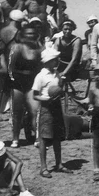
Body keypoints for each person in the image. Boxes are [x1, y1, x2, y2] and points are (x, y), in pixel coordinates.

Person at [8, 21, 43, 148]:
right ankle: (15, 138)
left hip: (31, 84)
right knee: (17, 113)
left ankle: (38, 138)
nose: (31, 36)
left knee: (35, 111)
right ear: (23, 35)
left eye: (33, 34)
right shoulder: (17, 47)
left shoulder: (38, 48)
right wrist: (12, 82)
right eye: (28, 34)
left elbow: (43, 63)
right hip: (18, 83)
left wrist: (38, 42)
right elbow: (10, 68)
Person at [32, 47, 65, 177]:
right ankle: (43, 167)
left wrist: (59, 93)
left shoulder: (57, 74)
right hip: (46, 107)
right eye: (54, 60)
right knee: (44, 138)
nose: (56, 61)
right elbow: (35, 95)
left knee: (57, 136)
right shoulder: (40, 76)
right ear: (47, 61)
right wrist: (46, 99)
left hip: (56, 106)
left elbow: (59, 88)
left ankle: (59, 164)